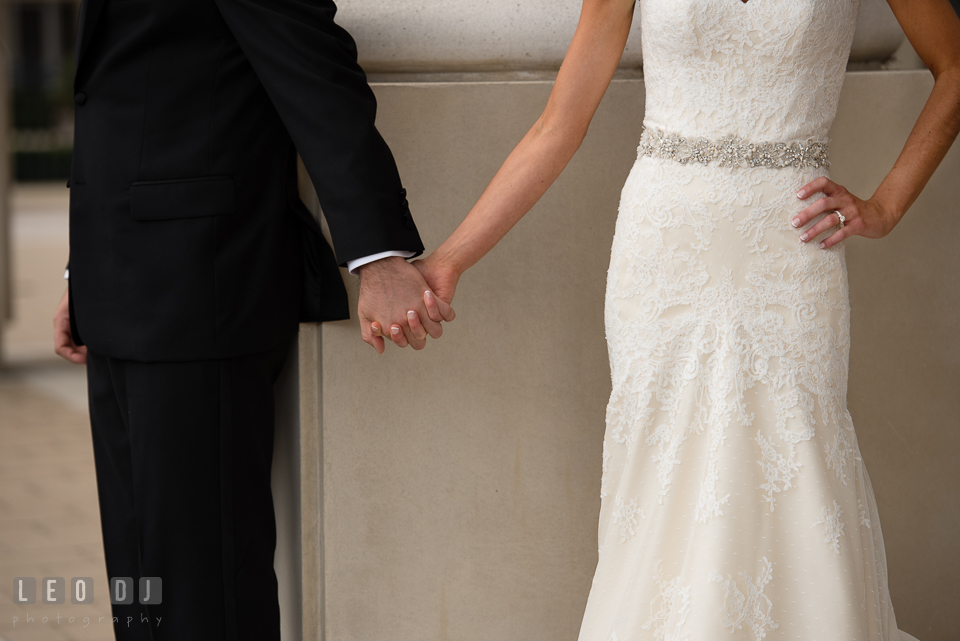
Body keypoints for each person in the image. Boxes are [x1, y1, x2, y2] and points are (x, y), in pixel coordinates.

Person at [400, 0, 960, 639]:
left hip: (789, 247)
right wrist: (451, 260)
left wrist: (886, 205)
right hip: (665, 250)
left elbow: (955, 66)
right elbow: (559, 123)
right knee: (664, 465)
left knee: (799, 454)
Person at [52, 0, 453, 639]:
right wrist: (84, 272)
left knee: (206, 592)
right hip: (119, 284)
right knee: (140, 591)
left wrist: (377, 257)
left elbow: (314, 71)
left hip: (197, 289)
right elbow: (120, 90)